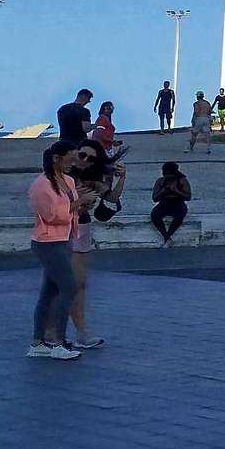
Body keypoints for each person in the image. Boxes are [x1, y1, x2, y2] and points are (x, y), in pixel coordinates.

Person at [28, 140, 87, 360]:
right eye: (69, 159)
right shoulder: (40, 186)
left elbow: (70, 211)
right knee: (68, 287)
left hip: (63, 240)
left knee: (49, 291)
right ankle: (56, 342)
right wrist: (76, 205)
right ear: (56, 159)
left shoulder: (68, 180)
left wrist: (79, 205)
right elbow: (53, 216)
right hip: (47, 242)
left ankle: (38, 342)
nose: (72, 164)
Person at [68, 140, 125, 350]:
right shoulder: (64, 177)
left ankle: (78, 332)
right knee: (71, 284)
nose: (85, 161)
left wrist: (122, 178)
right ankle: (67, 332)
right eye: (82, 155)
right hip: (66, 230)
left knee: (79, 284)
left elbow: (112, 197)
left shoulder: (92, 180)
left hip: (82, 228)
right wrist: (81, 200)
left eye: (91, 159)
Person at [150, 162, 192, 247]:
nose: (167, 176)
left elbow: (188, 197)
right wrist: (163, 191)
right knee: (154, 215)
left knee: (179, 216)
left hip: (178, 204)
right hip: (164, 204)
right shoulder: (160, 181)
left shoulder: (182, 180)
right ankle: (166, 236)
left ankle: (168, 235)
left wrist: (176, 191)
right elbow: (154, 198)